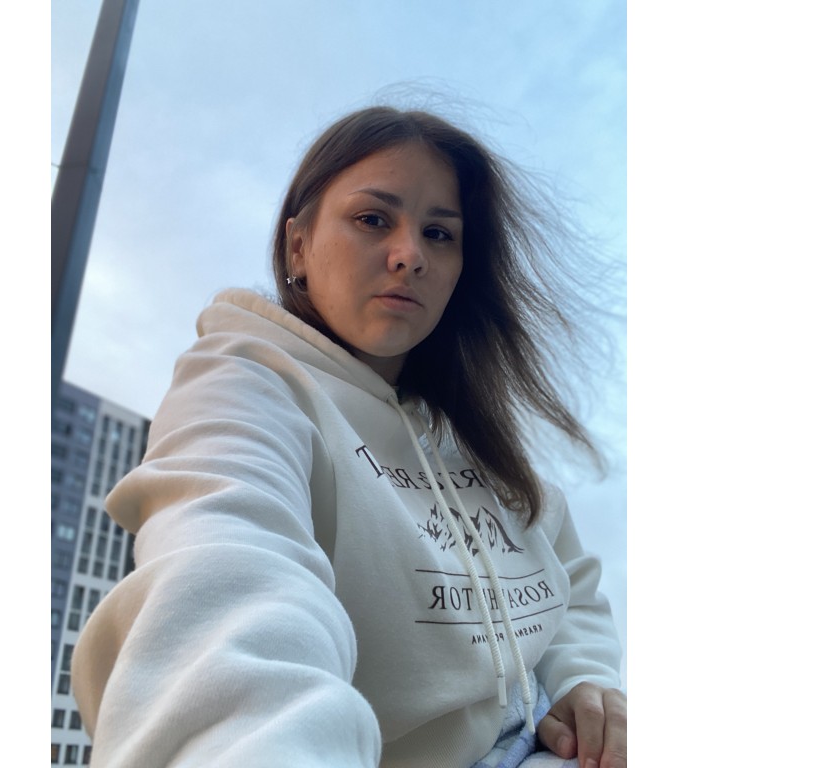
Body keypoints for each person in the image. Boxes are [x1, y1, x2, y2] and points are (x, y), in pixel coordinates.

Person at [71, 106, 626, 768]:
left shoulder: (471, 433)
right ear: (298, 247)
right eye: (373, 219)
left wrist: (586, 678)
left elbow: (568, 575)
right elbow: (225, 572)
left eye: (440, 233)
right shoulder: (244, 381)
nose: (410, 254)